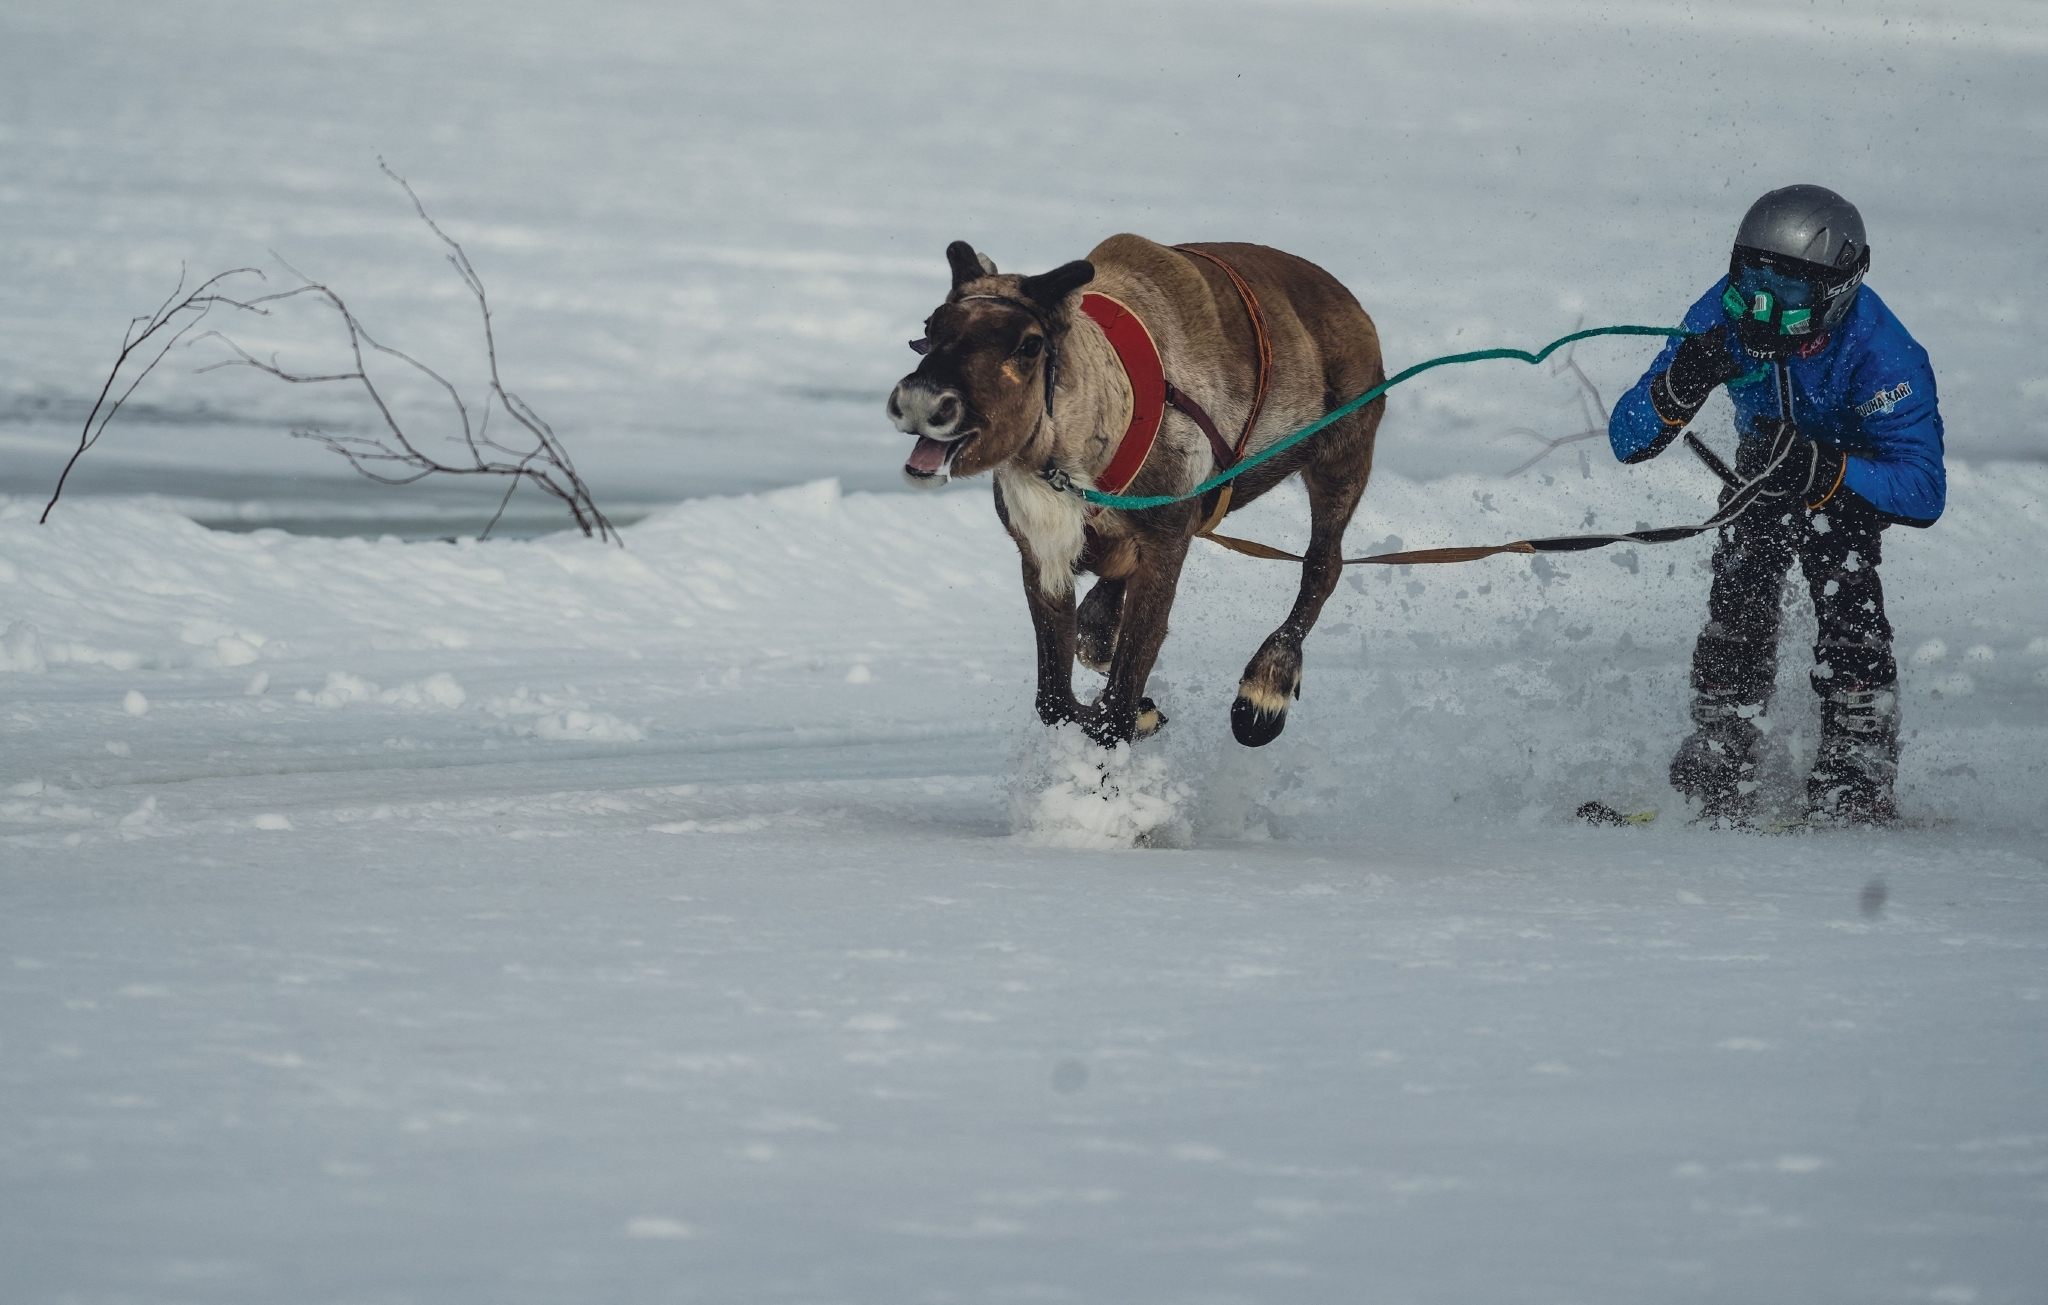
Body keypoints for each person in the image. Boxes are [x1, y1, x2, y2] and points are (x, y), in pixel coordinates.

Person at [1608, 185, 1945, 825]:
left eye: (1788, 292)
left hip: (1849, 481)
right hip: (1763, 471)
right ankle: (1722, 739)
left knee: (1843, 572)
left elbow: (1924, 490)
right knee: (1741, 581)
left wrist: (1827, 469)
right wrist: (1676, 387)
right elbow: (1627, 439)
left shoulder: (1887, 358)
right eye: (1751, 279)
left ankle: (1858, 754)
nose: (1761, 309)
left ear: (1839, 290)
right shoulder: (1721, 314)